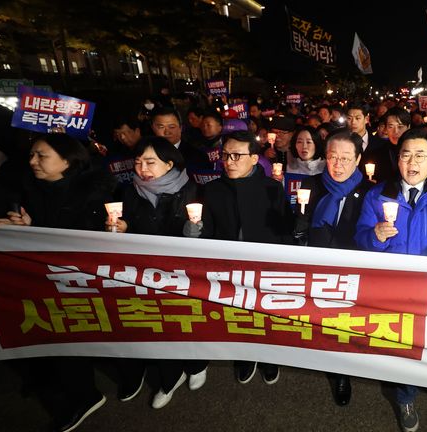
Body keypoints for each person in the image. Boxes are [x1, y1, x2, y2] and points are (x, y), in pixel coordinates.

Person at [0, 133, 116, 432]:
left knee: (67, 337)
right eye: (32, 154)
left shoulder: (94, 195)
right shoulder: (31, 187)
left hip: (76, 281)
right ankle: (49, 381)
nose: (33, 161)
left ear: (68, 161)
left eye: (41, 156)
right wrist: (24, 227)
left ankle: (85, 396)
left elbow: (85, 240)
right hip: (40, 278)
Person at [355, 127, 427, 432]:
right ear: (396, 159)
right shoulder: (377, 195)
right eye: (405, 155)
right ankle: (405, 396)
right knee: (404, 344)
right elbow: (360, 239)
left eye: (420, 155)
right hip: (394, 288)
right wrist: (374, 235)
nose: (412, 162)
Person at [186, 130, 294, 387]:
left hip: (266, 267)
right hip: (229, 268)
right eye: (225, 155)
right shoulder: (212, 189)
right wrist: (193, 231)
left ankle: (269, 357)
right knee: (238, 315)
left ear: (255, 159)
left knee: (267, 313)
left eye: (237, 155)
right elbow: (208, 233)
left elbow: (283, 229)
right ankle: (246, 355)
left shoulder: (271, 188)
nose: (230, 161)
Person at [105, 136, 203, 409]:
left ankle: (196, 363)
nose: (142, 169)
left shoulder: (190, 190)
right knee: (156, 326)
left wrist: (194, 233)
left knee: (185, 322)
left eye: (150, 162)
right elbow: (130, 228)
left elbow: (204, 234)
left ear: (169, 164)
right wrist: (121, 229)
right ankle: (170, 378)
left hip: (181, 273)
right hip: (144, 272)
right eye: (138, 162)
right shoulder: (129, 192)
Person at [293, 130, 374, 406]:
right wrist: (298, 226)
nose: (338, 165)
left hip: (352, 271)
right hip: (315, 266)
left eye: (345, 158)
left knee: (344, 323)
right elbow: (294, 222)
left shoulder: (370, 193)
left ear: (358, 159)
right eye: (332, 157)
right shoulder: (312, 184)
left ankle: (342, 372)